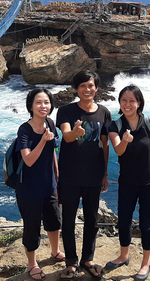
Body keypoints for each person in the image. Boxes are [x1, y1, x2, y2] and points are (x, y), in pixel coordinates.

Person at [104, 85, 150, 281]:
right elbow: (119, 151)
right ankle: (124, 256)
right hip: (127, 183)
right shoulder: (115, 126)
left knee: (146, 224)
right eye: (124, 100)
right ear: (119, 103)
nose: (128, 104)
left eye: (132, 100)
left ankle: (145, 263)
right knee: (123, 221)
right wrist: (124, 140)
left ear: (139, 102)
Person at [57, 70, 111, 280]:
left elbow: (105, 144)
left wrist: (105, 173)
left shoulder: (104, 112)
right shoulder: (66, 111)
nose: (87, 89)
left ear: (96, 87)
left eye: (91, 85)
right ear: (76, 89)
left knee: (92, 221)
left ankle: (87, 259)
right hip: (70, 176)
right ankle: (71, 261)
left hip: (94, 176)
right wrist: (75, 133)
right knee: (68, 221)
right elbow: (67, 136)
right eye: (83, 86)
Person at [15, 88, 65, 280]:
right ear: (30, 106)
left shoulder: (50, 123)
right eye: (38, 102)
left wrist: (57, 174)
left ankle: (55, 251)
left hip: (49, 185)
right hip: (29, 189)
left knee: (54, 220)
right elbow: (28, 160)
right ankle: (32, 264)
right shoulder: (24, 130)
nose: (43, 106)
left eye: (46, 102)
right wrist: (43, 141)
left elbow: (52, 150)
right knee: (32, 226)